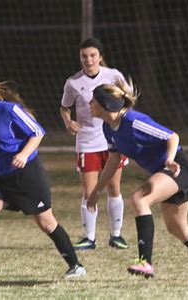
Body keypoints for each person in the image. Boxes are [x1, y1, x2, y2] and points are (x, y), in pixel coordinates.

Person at [85, 78, 188, 281]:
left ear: (105, 105)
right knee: (177, 227)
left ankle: (145, 262)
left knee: (139, 199)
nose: (89, 104)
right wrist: (96, 191)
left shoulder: (133, 121)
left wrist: (169, 160)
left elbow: (172, 137)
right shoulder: (108, 128)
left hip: (178, 167)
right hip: (167, 171)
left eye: (92, 101)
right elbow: (113, 160)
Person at [0, 68, 86, 280]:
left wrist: (23, 154)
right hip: (0, 178)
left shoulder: (8, 110)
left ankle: (76, 266)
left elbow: (38, 132)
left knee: (47, 223)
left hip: (27, 175)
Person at [60, 38, 129, 250]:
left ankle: (116, 236)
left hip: (112, 141)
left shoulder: (113, 75)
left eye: (92, 55)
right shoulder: (73, 82)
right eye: (84, 56)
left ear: (100, 56)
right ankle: (89, 238)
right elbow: (64, 107)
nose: (88, 60)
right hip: (87, 142)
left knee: (114, 188)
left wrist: (122, 120)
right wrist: (68, 121)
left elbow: (128, 99)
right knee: (89, 192)